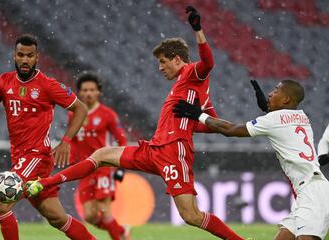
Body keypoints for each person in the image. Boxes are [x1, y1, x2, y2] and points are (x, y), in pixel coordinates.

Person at [27, 6, 244, 240]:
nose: (160, 68)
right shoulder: (188, 88)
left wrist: (198, 30)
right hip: (154, 150)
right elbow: (207, 123)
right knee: (101, 155)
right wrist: (196, 118)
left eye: (163, 62)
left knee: (191, 215)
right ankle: (47, 182)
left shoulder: (193, 73)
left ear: (178, 59)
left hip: (173, 151)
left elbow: (208, 62)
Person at [0, 34, 96, 240]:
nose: (25, 60)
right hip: (20, 157)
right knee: (57, 218)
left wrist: (66, 141)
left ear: (37, 57)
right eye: (21, 55)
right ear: (14, 56)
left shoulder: (48, 85)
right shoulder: (3, 82)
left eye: (30, 55)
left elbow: (80, 109)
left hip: (37, 156)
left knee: (1, 204)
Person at [173, 79, 329, 240]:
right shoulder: (302, 117)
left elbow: (230, 130)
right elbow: (283, 122)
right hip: (312, 187)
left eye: (276, 91)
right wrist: (269, 110)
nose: (270, 93)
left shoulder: (274, 120)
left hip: (311, 191)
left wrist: (199, 114)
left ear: (286, 99)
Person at [69, 71, 129, 240]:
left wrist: (120, 166)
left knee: (105, 210)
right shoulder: (73, 114)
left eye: (92, 90)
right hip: (85, 169)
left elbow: (121, 140)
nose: (88, 93)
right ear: (80, 92)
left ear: (98, 92)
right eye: (85, 90)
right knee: (90, 216)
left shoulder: (107, 114)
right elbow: (72, 138)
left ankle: (118, 236)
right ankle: (121, 232)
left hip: (104, 167)